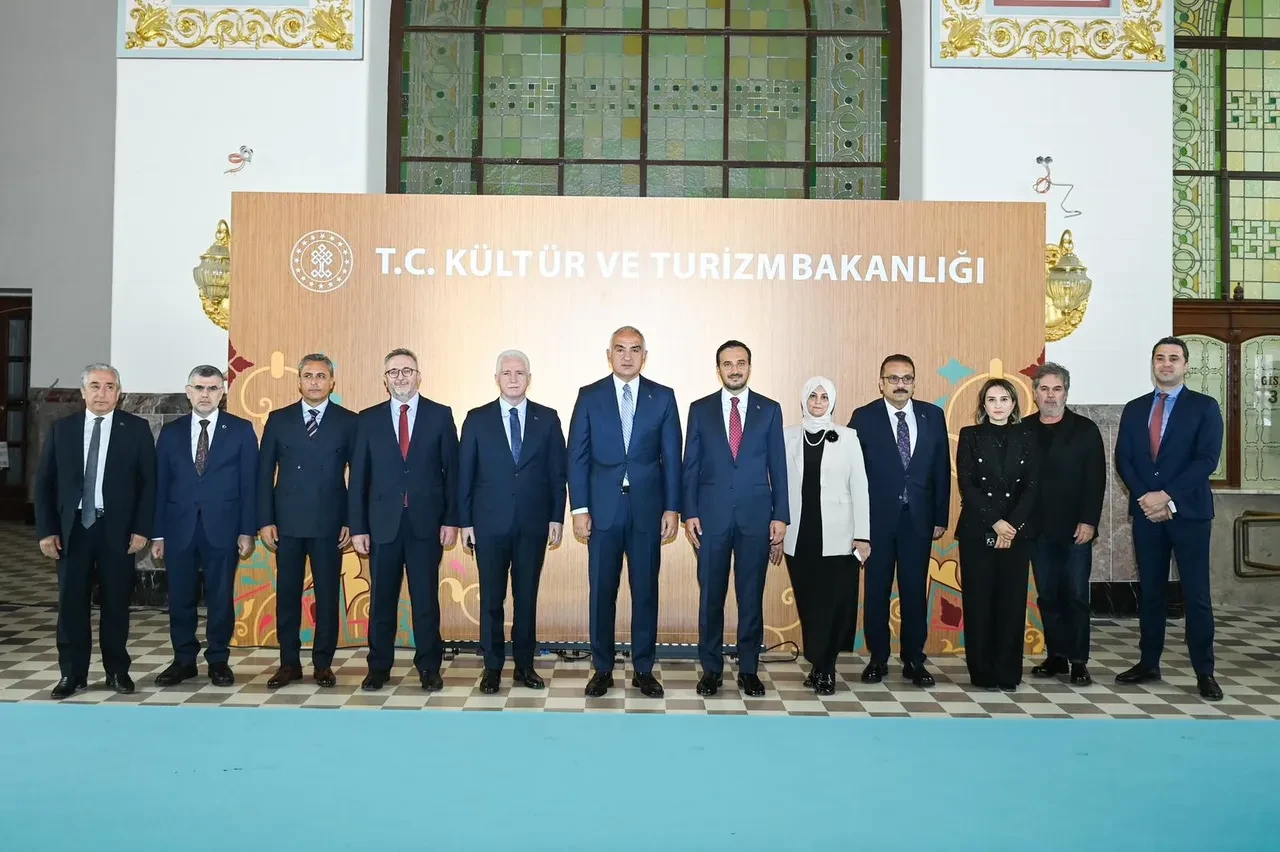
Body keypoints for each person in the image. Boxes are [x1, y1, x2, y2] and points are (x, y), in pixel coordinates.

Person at [568, 326, 682, 698]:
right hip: (601, 511)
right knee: (602, 589)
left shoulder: (662, 397)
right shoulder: (589, 396)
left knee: (645, 591)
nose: (627, 356)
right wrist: (580, 508)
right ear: (609, 354)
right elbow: (578, 456)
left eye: (635, 350)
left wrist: (672, 507)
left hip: (648, 510)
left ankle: (643, 669)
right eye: (620, 349)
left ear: (644, 355)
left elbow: (672, 460)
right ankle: (601, 668)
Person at [35, 364, 156, 699]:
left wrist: (142, 529)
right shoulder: (63, 429)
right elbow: (44, 484)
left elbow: (148, 484)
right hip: (73, 530)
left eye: (109, 386)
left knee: (116, 604)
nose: (102, 393)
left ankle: (117, 671)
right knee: (71, 605)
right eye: (95, 386)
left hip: (117, 531)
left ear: (119, 392)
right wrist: (46, 531)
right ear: (83, 391)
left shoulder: (136, 429)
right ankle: (72, 675)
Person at [1114, 336, 1224, 701]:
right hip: (1147, 513)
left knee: (1196, 595)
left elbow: (1206, 460)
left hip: (1189, 513)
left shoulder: (1204, 407)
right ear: (1153, 364)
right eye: (1160, 358)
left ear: (1186, 365)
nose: (1166, 364)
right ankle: (1149, 663)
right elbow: (1125, 459)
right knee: (1151, 592)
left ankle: (1205, 672)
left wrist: (1167, 495)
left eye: (1173, 358)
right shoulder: (1134, 408)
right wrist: (1147, 497)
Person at [349, 348, 459, 692]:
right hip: (382, 525)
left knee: (425, 601)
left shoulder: (441, 415)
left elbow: (452, 474)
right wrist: (358, 527)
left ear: (419, 376)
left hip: (427, 524)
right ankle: (378, 667)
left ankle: (429, 667)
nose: (401, 377)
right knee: (381, 600)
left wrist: (452, 520)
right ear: (385, 380)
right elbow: (359, 479)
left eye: (407, 371)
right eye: (393, 372)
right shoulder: (367, 420)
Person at [682, 340, 788, 697]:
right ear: (718, 369)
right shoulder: (700, 409)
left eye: (741, 363)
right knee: (711, 597)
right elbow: (690, 466)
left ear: (749, 367)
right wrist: (690, 512)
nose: (735, 369)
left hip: (756, 518)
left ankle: (748, 669)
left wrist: (781, 516)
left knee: (750, 598)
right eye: (727, 364)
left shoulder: (769, 409)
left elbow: (779, 467)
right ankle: (711, 670)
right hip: (709, 519)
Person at [459, 349, 567, 694]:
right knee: (491, 599)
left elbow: (557, 473)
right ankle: (491, 667)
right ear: (496, 379)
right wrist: (465, 522)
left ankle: (524, 666)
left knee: (526, 598)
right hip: (488, 525)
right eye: (506, 373)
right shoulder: (476, 419)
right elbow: (466, 475)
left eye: (520, 373)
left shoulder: (547, 419)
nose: (513, 379)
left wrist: (556, 516)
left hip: (533, 525)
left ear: (529, 379)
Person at [152, 365, 259, 687]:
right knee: (181, 597)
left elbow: (249, 485)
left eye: (212, 388)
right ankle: (183, 659)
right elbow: (160, 485)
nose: (205, 394)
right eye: (199, 388)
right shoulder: (171, 432)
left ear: (222, 392)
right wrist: (158, 532)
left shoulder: (240, 430)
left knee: (220, 597)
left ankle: (218, 659)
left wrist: (247, 530)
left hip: (223, 528)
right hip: (179, 528)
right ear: (188, 391)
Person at [848, 355, 951, 687]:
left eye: (906, 378)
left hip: (918, 521)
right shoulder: (863, 418)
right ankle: (877, 658)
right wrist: (857, 526)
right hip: (876, 523)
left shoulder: (932, 415)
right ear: (881, 382)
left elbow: (941, 470)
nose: (900, 384)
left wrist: (940, 516)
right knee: (876, 591)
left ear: (914, 382)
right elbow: (852, 474)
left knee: (913, 592)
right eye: (893, 378)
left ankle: (914, 659)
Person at [256, 354, 357, 689]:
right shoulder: (279, 419)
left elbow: (358, 477)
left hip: (330, 521)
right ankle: (288, 663)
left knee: (328, 595)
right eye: (309, 376)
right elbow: (263, 473)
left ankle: (323, 663)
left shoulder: (348, 421)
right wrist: (265, 520)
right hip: (286, 522)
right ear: (298, 381)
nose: (315, 381)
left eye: (321, 376)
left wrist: (351, 520)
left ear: (332, 382)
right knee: (287, 594)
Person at [780, 376, 870, 696]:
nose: (818, 401)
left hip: (840, 535)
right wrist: (776, 531)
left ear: (832, 401)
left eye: (824, 397)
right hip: (799, 535)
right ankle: (817, 662)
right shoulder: (787, 436)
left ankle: (826, 668)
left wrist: (863, 535)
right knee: (809, 603)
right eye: (813, 396)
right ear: (804, 399)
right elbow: (778, 486)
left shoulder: (848, 437)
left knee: (833, 604)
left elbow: (860, 487)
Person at [956, 378, 1039, 691]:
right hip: (978, 531)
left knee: (1011, 603)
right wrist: (995, 522)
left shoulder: (1027, 436)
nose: (998, 405)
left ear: (1014, 403)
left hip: (1017, 533)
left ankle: (1007, 673)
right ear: (983, 405)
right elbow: (968, 484)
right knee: (978, 603)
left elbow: (1032, 487)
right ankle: (982, 673)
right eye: (991, 399)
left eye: (1004, 399)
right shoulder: (970, 436)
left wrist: (1011, 525)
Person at [1024, 363, 1105, 686]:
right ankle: (1056, 655)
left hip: (1076, 530)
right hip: (1037, 529)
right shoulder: (1024, 429)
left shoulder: (1085, 430)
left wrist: (1089, 521)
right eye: (1044, 389)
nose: (1050, 395)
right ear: (1034, 393)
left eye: (1057, 389)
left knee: (1075, 595)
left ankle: (1079, 660)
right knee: (1048, 595)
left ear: (1066, 393)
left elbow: (1095, 480)